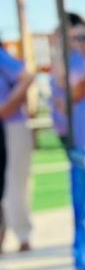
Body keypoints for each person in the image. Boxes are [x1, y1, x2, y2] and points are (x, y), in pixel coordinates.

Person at [49, 12, 85, 151]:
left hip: (83, 124)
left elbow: (64, 82)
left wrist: (57, 50)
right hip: (68, 124)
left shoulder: (81, 56)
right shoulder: (69, 57)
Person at [0, 43, 35, 253]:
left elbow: (27, 76)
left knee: (15, 181)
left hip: (11, 126)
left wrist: (7, 106)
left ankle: (23, 234)